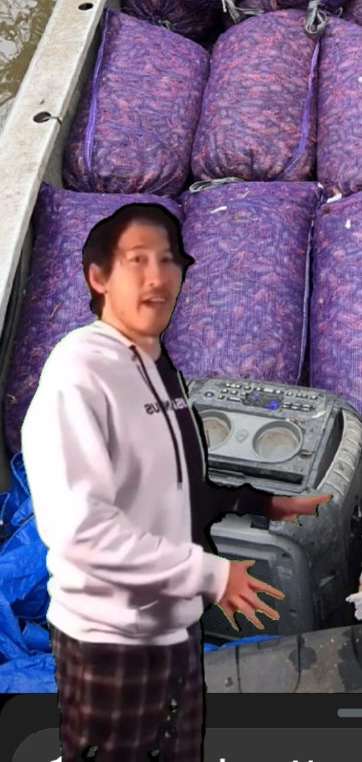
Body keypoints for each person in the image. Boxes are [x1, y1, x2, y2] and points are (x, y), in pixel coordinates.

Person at [21, 203, 330, 762]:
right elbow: (79, 531)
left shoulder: (157, 369)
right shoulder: (78, 377)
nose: (158, 277)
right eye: (137, 261)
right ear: (98, 277)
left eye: (168, 262)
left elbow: (181, 482)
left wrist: (262, 503)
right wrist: (210, 572)